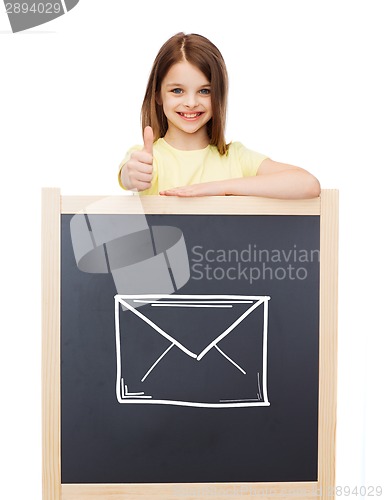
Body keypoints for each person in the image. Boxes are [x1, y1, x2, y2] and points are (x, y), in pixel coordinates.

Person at [118, 33, 320, 199]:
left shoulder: (236, 158)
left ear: (219, 96)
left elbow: (308, 184)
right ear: (158, 96)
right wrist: (131, 176)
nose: (191, 102)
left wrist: (216, 188)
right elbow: (130, 175)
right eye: (177, 91)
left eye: (205, 91)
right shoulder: (148, 159)